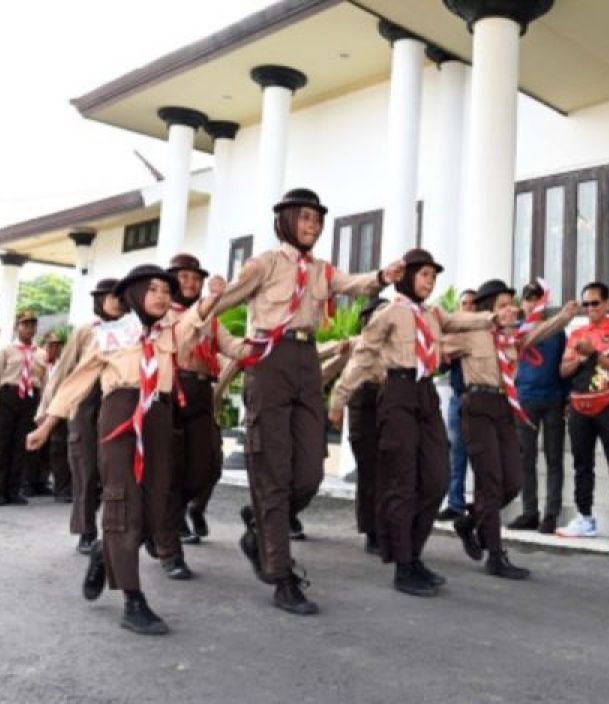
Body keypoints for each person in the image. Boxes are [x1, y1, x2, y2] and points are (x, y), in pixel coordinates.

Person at [209, 188, 403, 615]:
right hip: (269, 361)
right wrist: (235, 347)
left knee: (310, 473)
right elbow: (215, 307)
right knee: (274, 470)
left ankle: (260, 523)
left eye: (317, 220)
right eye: (305, 218)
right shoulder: (263, 264)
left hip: (306, 361)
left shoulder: (321, 270)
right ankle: (281, 576)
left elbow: (354, 283)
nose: (312, 226)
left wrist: (384, 276)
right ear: (285, 221)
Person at [27, 264, 229, 635]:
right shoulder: (109, 335)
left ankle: (107, 550)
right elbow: (77, 381)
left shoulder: (171, 330)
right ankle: (132, 600)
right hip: (121, 415)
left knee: (155, 508)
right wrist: (48, 423)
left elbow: (194, 321)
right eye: (153, 290)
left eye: (166, 291)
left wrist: (213, 298)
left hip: (159, 415)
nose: (162, 296)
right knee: (123, 502)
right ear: (134, 294)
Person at [329, 250, 495, 595]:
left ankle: (414, 554)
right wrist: (339, 397)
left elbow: (461, 321)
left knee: (435, 479)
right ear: (407, 277)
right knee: (400, 481)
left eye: (433, 277)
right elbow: (363, 356)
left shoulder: (432, 314)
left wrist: (496, 319)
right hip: (397, 394)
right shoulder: (389, 312)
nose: (430, 282)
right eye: (424, 276)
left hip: (425, 394)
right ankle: (403, 564)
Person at [446, 279, 578, 579]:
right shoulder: (471, 334)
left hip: (505, 407)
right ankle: (496, 555)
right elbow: (438, 342)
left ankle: (468, 523)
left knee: (513, 482)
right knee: (490, 482)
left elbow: (541, 331)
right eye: (503, 305)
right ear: (488, 309)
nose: (511, 310)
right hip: (477, 406)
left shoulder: (513, 338)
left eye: (511, 304)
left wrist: (565, 316)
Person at [37, 277, 121, 555]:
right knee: (85, 470)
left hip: (116, 401)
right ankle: (86, 531)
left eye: (120, 296)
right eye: (109, 296)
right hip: (84, 403)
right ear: (98, 301)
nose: (116, 300)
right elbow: (63, 371)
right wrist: (46, 411)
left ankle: (115, 528)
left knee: (114, 470)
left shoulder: (132, 330)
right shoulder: (86, 331)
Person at [556, 282, 609, 546]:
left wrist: (594, 355)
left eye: (595, 303)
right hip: (579, 407)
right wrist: (579, 359)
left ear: (607, 303)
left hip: (608, 405)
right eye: (586, 304)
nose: (590, 308)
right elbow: (563, 371)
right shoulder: (577, 333)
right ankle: (585, 517)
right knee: (582, 465)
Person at [166, 253, 230, 556]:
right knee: (175, 464)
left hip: (203, 391)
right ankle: (170, 532)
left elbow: (231, 346)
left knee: (209, 464)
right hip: (176, 390)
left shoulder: (209, 318)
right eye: (184, 277)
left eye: (196, 278)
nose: (192, 283)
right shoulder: (165, 315)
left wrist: (263, 346)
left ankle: (185, 510)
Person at [507, 281, 568, 535]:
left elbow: (565, 365)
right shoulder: (516, 332)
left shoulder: (557, 331)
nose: (533, 303)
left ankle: (551, 513)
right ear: (523, 303)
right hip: (525, 400)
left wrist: (566, 399)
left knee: (554, 459)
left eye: (537, 298)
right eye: (529, 299)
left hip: (553, 400)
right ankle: (529, 511)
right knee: (525, 459)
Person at [327, 297, 387, 555]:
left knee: (389, 468)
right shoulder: (355, 344)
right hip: (363, 403)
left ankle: (386, 527)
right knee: (369, 468)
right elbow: (331, 370)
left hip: (388, 404)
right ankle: (371, 530)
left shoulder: (395, 347)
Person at [0, 311, 45, 506]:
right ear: (17, 327)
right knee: (1, 444)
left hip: (30, 398)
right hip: (8, 396)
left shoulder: (40, 352)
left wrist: (43, 409)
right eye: (25, 324)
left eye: (32, 325)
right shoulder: (6, 351)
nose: (29, 328)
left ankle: (14, 489)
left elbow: (44, 382)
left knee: (22, 445)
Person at [437, 288, 477, 522]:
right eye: (465, 304)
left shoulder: (486, 331)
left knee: (481, 455)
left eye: (473, 304)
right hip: (458, 398)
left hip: (481, 399)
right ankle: (455, 503)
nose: (469, 308)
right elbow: (440, 368)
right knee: (456, 453)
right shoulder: (452, 334)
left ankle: (481, 504)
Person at [41, 330, 72, 503]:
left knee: (62, 449)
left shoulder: (65, 365)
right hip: (45, 408)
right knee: (53, 449)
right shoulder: (40, 361)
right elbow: (45, 390)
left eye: (57, 345)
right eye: (50, 345)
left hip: (63, 409)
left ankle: (63, 488)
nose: (54, 349)